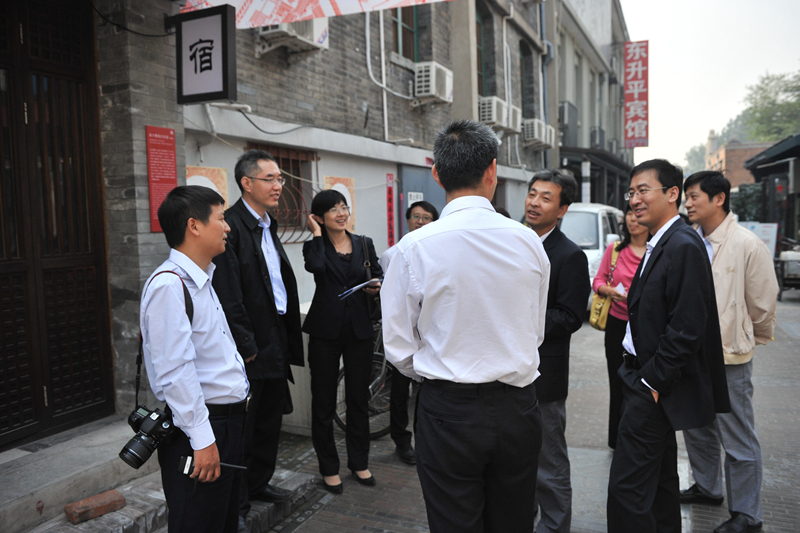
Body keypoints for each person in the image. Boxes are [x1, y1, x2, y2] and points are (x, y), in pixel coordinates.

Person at [382, 119, 549, 533]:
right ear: (492, 170)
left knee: (454, 522)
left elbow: (399, 347)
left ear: (437, 174)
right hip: (517, 407)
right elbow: (535, 330)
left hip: (447, 409)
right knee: (514, 522)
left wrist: (441, 370)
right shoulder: (528, 241)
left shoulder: (412, 247)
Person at [606, 159, 730, 533]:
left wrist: (652, 384)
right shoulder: (662, 241)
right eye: (631, 192)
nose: (635, 200)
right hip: (642, 380)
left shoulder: (682, 244)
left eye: (644, 190)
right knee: (660, 486)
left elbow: (687, 328)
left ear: (672, 193)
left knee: (626, 491)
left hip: (651, 387)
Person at [140, 186, 249, 533]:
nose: (227, 227)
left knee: (222, 522)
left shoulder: (201, 280)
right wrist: (203, 440)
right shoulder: (169, 286)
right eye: (221, 218)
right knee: (197, 522)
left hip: (226, 424)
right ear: (194, 226)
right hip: (201, 428)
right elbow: (175, 372)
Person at [211, 150, 305, 527]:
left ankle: (259, 484)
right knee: (244, 428)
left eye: (280, 178)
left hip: (275, 335)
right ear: (246, 183)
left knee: (269, 419)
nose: (278, 185)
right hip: (250, 344)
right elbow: (228, 292)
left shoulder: (267, 224)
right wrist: (246, 345)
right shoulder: (231, 226)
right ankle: (237, 505)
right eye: (270, 179)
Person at [680, 171, 777, 533]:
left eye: (694, 196)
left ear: (718, 199)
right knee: (697, 427)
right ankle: (707, 487)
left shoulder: (746, 244)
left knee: (737, 437)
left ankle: (748, 514)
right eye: (687, 196)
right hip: (693, 355)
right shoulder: (690, 240)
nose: (687, 203)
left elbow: (763, 302)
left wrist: (747, 337)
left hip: (729, 357)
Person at [303, 189, 383, 493]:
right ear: (319, 216)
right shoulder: (314, 246)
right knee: (323, 401)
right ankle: (329, 467)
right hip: (325, 331)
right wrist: (316, 234)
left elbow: (377, 274)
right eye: (334, 209)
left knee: (358, 400)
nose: (341, 213)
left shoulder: (364, 243)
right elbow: (316, 268)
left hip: (359, 330)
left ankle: (359, 462)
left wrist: (376, 285)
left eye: (344, 207)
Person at [524, 169, 590, 533]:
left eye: (545, 198)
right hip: (507, 371)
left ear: (562, 209)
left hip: (544, 377)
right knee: (518, 461)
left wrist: (520, 317)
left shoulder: (570, 255)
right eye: (532, 194)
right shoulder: (511, 241)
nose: (534, 202)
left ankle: (554, 526)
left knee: (549, 462)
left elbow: (569, 316)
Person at [379, 200, 440, 466]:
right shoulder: (393, 254)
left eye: (426, 217)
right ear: (407, 220)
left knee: (426, 395)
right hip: (405, 336)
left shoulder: (440, 253)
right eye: (416, 216)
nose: (420, 222)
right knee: (400, 392)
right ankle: (401, 441)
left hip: (431, 336)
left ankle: (424, 441)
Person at [591, 203, 647, 449]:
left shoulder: (656, 252)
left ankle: (638, 438)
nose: (632, 219)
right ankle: (617, 440)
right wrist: (608, 291)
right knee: (617, 383)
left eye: (637, 213)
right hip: (617, 324)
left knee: (643, 385)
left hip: (645, 327)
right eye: (629, 214)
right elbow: (598, 280)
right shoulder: (614, 250)